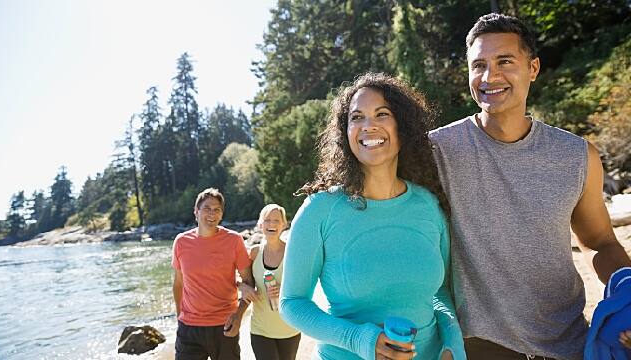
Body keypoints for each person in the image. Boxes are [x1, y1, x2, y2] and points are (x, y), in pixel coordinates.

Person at [428, 13, 631, 360]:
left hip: (568, 345)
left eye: (505, 61)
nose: (490, 76)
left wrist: (628, 296)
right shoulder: (436, 151)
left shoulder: (576, 156)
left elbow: (599, 242)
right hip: (478, 347)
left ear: (533, 68)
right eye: (478, 65)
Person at [280, 72, 465, 360]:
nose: (369, 126)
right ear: (345, 131)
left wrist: (453, 344)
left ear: (402, 126)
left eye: (382, 114)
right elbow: (292, 303)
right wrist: (360, 339)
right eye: (357, 117)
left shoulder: (428, 205)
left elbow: (440, 292)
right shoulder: (320, 210)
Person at [171, 188, 255, 360]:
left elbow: (248, 281)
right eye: (207, 208)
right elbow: (178, 283)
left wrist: (239, 316)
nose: (212, 213)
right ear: (196, 212)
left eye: (217, 209)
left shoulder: (234, 240)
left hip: (224, 326)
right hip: (189, 329)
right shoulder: (181, 242)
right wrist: (180, 316)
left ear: (221, 214)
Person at [237, 204, 301, 360]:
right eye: (267, 220)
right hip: (260, 329)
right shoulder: (254, 252)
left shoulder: (293, 252)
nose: (272, 224)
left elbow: (304, 287)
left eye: (276, 220)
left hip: (289, 328)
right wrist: (242, 286)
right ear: (260, 224)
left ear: (284, 225)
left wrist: (285, 290)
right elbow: (242, 279)